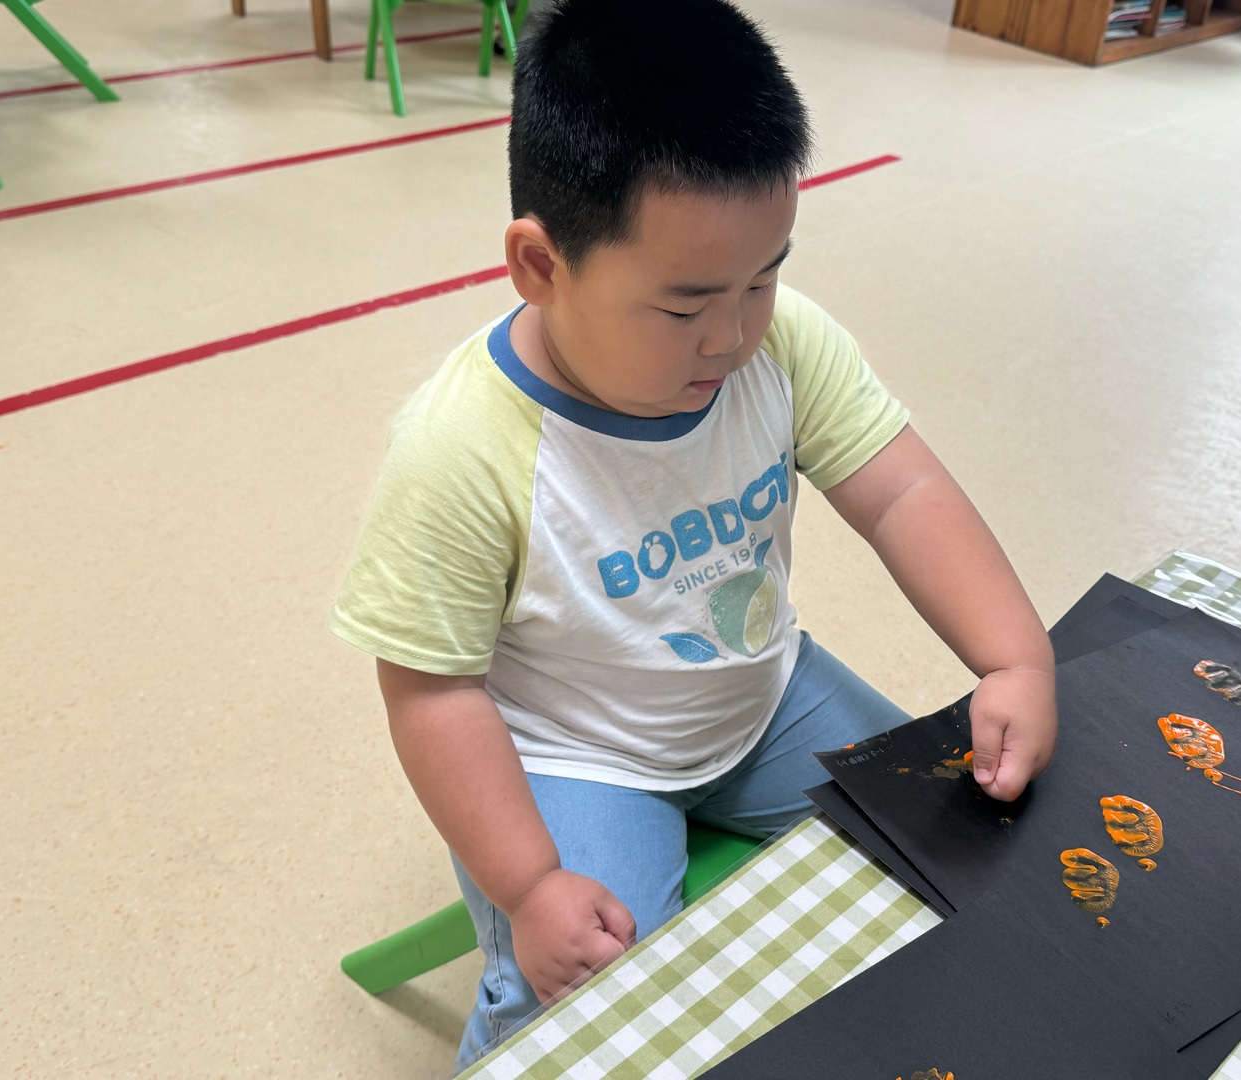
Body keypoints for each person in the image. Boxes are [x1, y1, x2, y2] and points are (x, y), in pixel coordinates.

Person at [328, 0, 1057, 1071]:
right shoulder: (462, 450)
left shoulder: (784, 345)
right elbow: (432, 693)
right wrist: (529, 883)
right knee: (591, 999)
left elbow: (903, 493)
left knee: (949, 833)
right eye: (683, 309)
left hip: (764, 697)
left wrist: (1015, 659)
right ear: (540, 266)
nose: (733, 335)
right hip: (576, 758)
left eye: (764, 277)